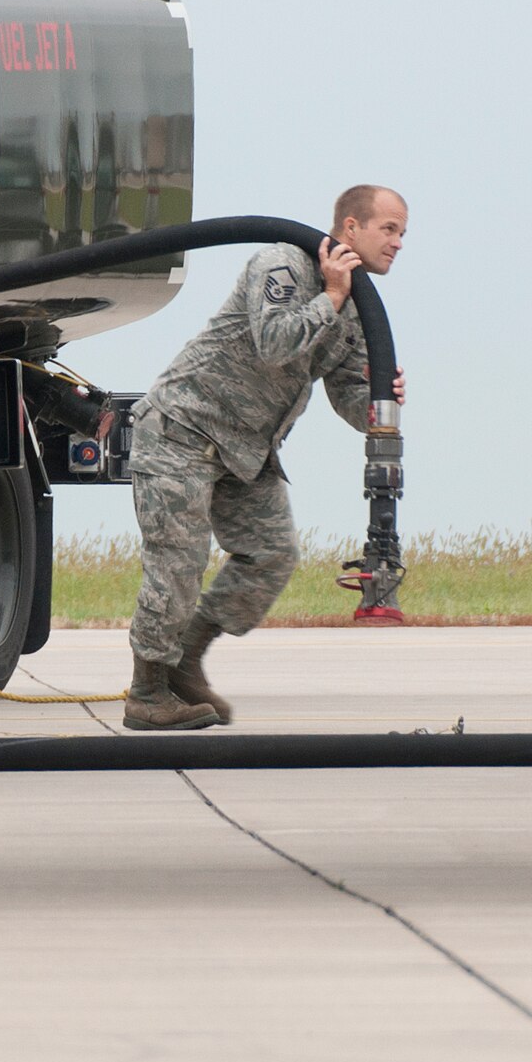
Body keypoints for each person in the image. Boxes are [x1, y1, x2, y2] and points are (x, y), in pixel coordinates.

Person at [123, 186, 409, 730]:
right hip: (183, 432)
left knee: (272, 554)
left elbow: (350, 399)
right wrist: (329, 295)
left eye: (402, 233)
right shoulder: (283, 265)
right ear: (350, 228)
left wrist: (380, 399)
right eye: (389, 229)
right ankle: (148, 693)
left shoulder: (356, 313)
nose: (397, 243)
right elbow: (275, 341)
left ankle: (186, 656)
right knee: (178, 566)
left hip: (245, 452)